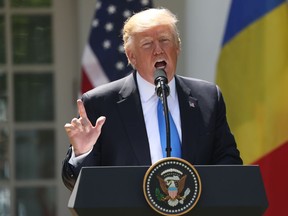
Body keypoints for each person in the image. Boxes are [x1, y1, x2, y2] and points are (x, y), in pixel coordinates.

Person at [62, 8, 242, 191]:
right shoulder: (100, 104)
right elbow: (75, 184)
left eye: (164, 40)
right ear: (131, 56)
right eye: (147, 44)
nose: (158, 50)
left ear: (177, 46)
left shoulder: (208, 97)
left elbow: (229, 163)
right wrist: (83, 153)